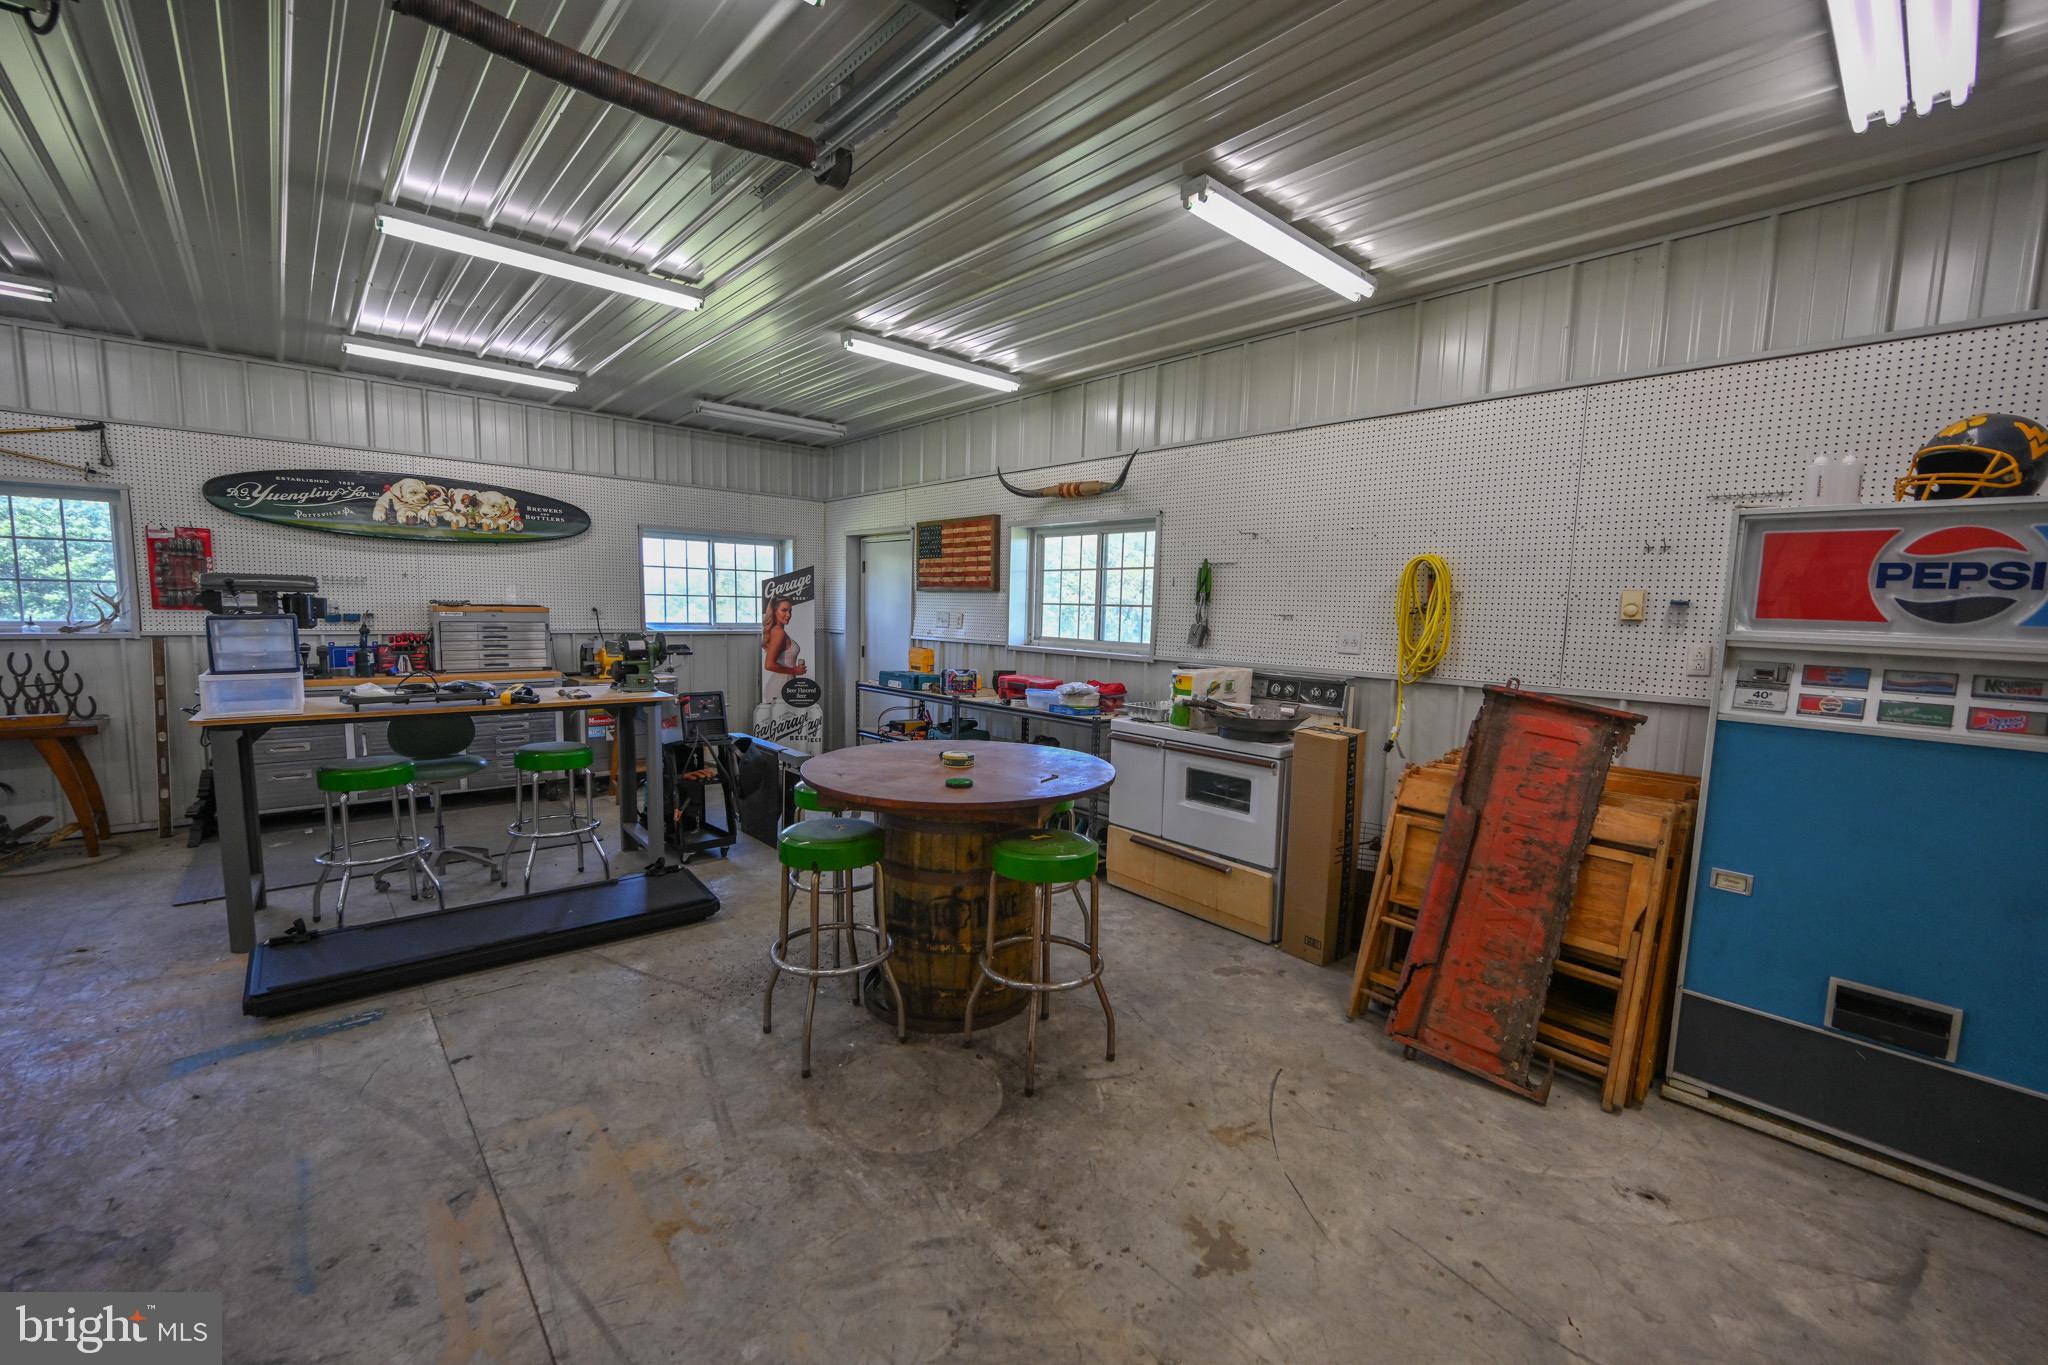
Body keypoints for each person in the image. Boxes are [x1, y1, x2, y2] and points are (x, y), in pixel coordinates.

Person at [762, 596, 806, 676]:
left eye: (790, 611)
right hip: (781, 684)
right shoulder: (779, 632)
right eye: (784, 610)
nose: (788, 615)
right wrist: (794, 671)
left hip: (786, 682)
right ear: (774, 612)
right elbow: (769, 665)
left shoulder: (777, 631)